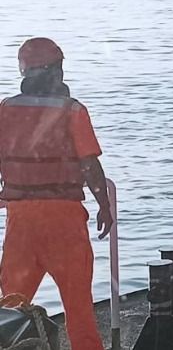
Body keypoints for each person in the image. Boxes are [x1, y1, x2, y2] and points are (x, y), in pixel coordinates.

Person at [0, 38, 112, 350]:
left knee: (10, 310)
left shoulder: (5, 109)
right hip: (65, 221)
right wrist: (104, 204)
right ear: (57, 70)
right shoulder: (72, 110)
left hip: (21, 221)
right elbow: (89, 164)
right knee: (79, 309)